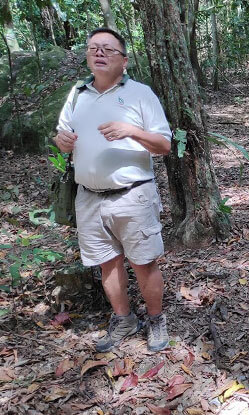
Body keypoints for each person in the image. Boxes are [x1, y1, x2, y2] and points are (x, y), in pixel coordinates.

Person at [53, 28, 172, 353]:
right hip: (89, 196)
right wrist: (61, 142)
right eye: (93, 48)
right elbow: (63, 137)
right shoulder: (77, 94)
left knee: (144, 263)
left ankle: (155, 319)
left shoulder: (141, 94)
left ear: (124, 59)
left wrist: (131, 131)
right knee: (108, 263)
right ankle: (124, 318)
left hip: (133, 195)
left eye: (107, 48)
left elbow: (164, 145)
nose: (99, 53)